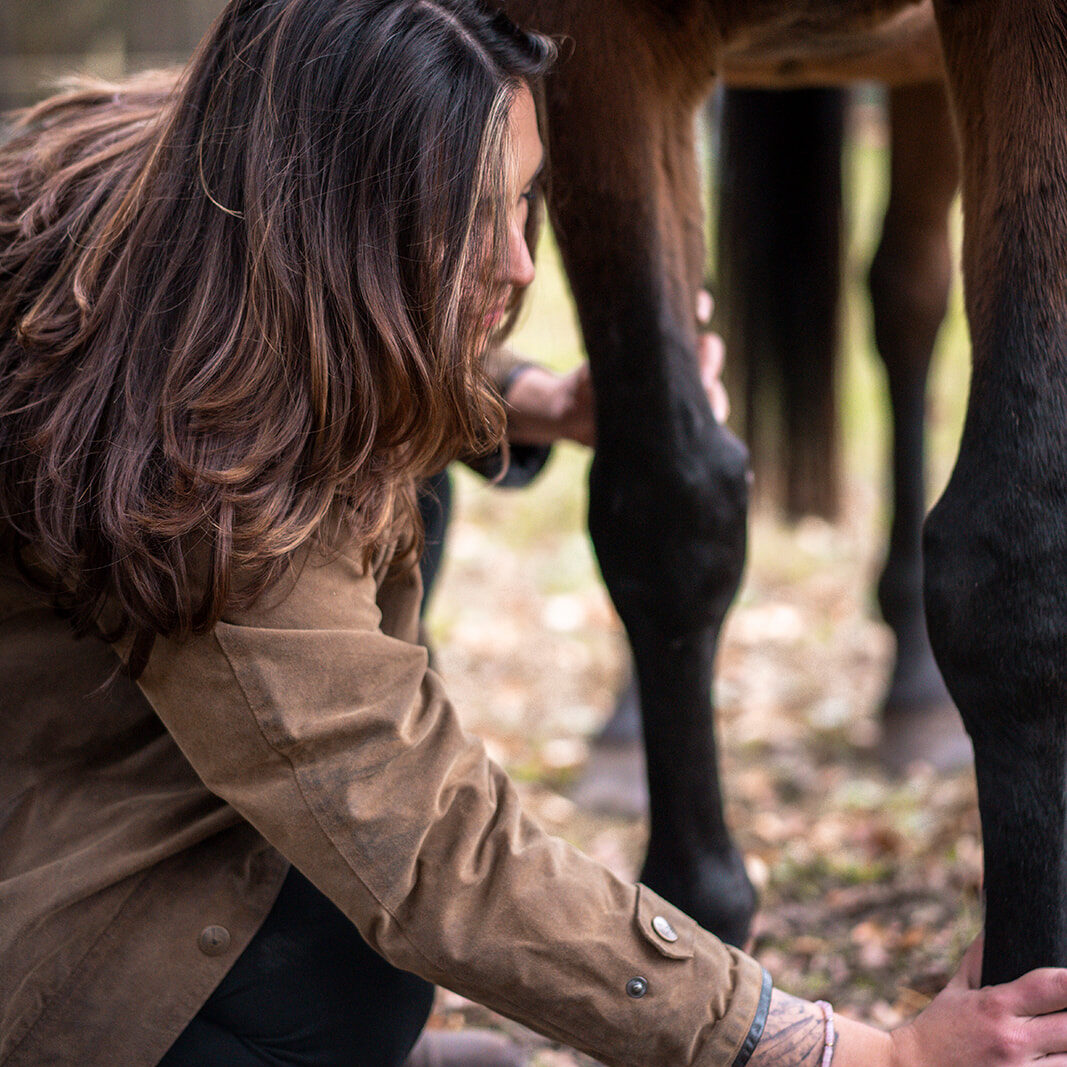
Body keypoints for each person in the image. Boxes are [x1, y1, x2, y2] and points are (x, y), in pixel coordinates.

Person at [1, 2, 1066, 1066]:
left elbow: (311, 288)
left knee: (413, 450)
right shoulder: (212, 482)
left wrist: (528, 396)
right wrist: (861, 1052)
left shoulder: (145, 182)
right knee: (344, 952)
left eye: (527, 204)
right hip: (65, 968)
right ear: (345, 216)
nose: (520, 270)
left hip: (54, 781)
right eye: (477, 220)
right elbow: (432, 851)